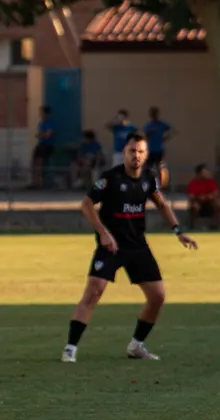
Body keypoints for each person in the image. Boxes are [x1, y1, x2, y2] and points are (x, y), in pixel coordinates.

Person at [61, 132, 198, 363]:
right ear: (124, 152)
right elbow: (86, 204)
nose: (136, 155)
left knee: (157, 297)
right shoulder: (110, 178)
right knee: (94, 291)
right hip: (112, 245)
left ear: (146, 154)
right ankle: (70, 348)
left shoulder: (149, 178)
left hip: (137, 245)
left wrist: (178, 231)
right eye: (132, 151)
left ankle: (136, 346)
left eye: (141, 151)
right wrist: (103, 233)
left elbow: (162, 204)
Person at [186, 164, 220, 229]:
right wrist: (199, 197)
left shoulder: (211, 181)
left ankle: (215, 224)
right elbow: (191, 196)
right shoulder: (193, 183)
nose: (206, 174)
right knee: (195, 206)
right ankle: (194, 225)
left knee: (217, 203)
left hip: (209, 202)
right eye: (204, 173)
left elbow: (216, 193)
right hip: (198, 202)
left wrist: (207, 197)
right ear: (199, 174)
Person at [30, 105, 55, 189]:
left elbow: (49, 134)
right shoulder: (41, 123)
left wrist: (42, 134)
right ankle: (34, 182)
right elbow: (39, 134)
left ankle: (39, 183)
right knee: (34, 162)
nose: (41, 115)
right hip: (40, 144)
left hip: (47, 145)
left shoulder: (51, 123)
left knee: (40, 162)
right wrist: (42, 134)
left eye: (42, 113)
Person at [142, 106, 173, 171]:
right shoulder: (148, 125)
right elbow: (144, 137)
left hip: (159, 150)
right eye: (152, 114)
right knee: (148, 168)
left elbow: (171, 130)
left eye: (155, 114)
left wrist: (165, 138)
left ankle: (159, 177)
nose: (154, 116)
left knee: (159, 167)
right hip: (150, 150)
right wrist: (148, 134)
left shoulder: (162, 124)